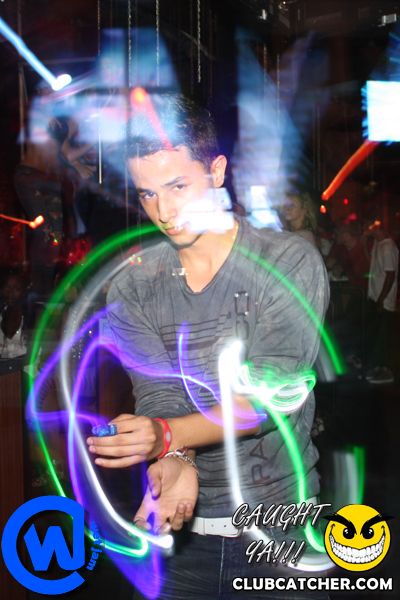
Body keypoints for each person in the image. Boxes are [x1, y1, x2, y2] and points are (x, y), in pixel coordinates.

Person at [86, 94, 330, 599]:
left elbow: (269, 399)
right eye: (148, 193)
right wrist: (178, 456)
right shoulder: (132, 287)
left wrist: (165, 435)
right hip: (183, 536)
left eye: (178, 186)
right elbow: (159, 394)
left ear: (216, 171)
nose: (164, 211)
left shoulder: (287, 262)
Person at [361, 219, 399, 384]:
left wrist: (381, 300)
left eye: (366, 226)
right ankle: (377, 369)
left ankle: (386, 372)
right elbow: (372, 264)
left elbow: (390, 275)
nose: (364, 228)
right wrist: (364, 247)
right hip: (376, 297)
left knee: (383, 339)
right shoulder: (378, 243)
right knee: (376, 337)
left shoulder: (388, 246)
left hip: (383, 301)